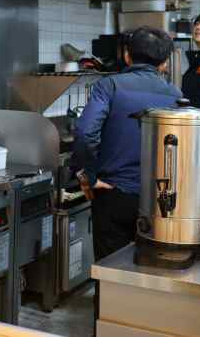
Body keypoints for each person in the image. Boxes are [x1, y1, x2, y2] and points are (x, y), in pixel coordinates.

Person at [73, 26, 183, 262]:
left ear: (126, 55)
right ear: (164, 62)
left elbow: (85, 133)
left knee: (112, 269)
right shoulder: (175, 94)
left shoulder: (109, 85)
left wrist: (87, 176)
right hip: (159, 197)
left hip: (114, 192)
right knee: (150, 266)